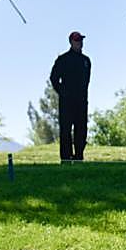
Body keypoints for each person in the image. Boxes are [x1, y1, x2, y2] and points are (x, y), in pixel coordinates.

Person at [50, 31, 91, 162]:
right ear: (71, 42)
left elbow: (86, 81)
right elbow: (54, 78)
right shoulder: (63, 59)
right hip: (66, 101)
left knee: (81, 129)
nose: (79, 43)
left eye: (80, 40)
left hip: (81, 101)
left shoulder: (86, 61)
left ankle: (79, 155)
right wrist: (62, 92)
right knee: (66, 130)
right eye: (77, 40)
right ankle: (66, 157)